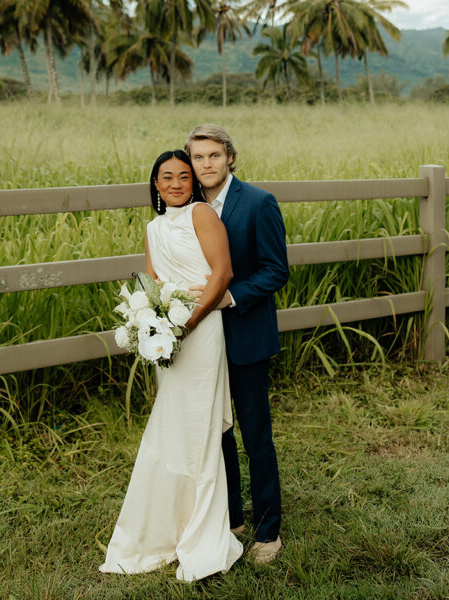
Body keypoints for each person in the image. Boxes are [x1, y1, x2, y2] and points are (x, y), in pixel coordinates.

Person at [99, 149, 244, 582]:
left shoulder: (202, 214)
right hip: (169, 339)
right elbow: (151, 281)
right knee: (173, 424)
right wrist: (150, 324)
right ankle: (168, 525)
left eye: (185, 175)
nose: (178, 182)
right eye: (168, 177)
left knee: (199, 426)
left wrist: (190, 322)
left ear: (192, 183)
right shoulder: (153, 226)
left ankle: (202, 532)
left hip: (201, 331)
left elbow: (223, 274)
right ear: (156, 186)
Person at [184, 124, 289, 565]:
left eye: (213, 155)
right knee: (216, 432)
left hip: (244, 332)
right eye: (197, 157)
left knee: (254, 434)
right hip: (201, 342)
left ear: (229, 157)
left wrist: (230, 296)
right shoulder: (185, 208)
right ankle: (231, 518)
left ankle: (268, 530)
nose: (205, 164)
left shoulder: (259, 203)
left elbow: (275, 270)